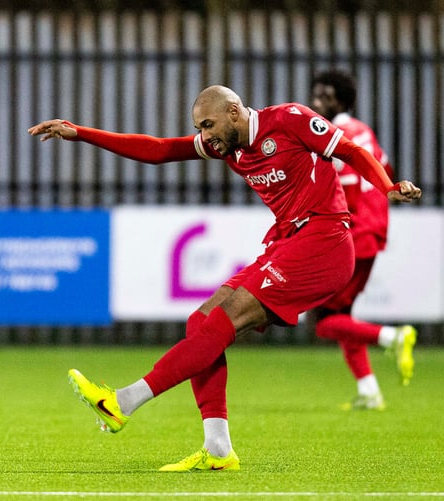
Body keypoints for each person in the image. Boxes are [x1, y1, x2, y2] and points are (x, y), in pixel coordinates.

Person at [28, 85, 421, 471]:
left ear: (234, 112)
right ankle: (217, 449)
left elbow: (351, 151)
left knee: (221, 323)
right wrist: (79, 132)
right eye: (199, 128)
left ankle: (122, 402)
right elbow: (159, 149)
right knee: (200, 322)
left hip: (324, 241)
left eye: (208, 125)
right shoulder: (227, 145)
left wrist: (387, 187)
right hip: (287, 242)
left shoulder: (289, 120)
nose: (204, 136)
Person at [310, 69, 416, 410]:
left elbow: (349, 189)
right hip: (374, 230)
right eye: (316, 94)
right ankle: (369, 391)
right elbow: (384, 169)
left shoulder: (334, 134)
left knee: (325, 321)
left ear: (342, 101)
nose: (316, 102)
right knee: (344, 315)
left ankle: (393, 337)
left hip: (352, 233)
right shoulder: (363, 132)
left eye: (325, 96)